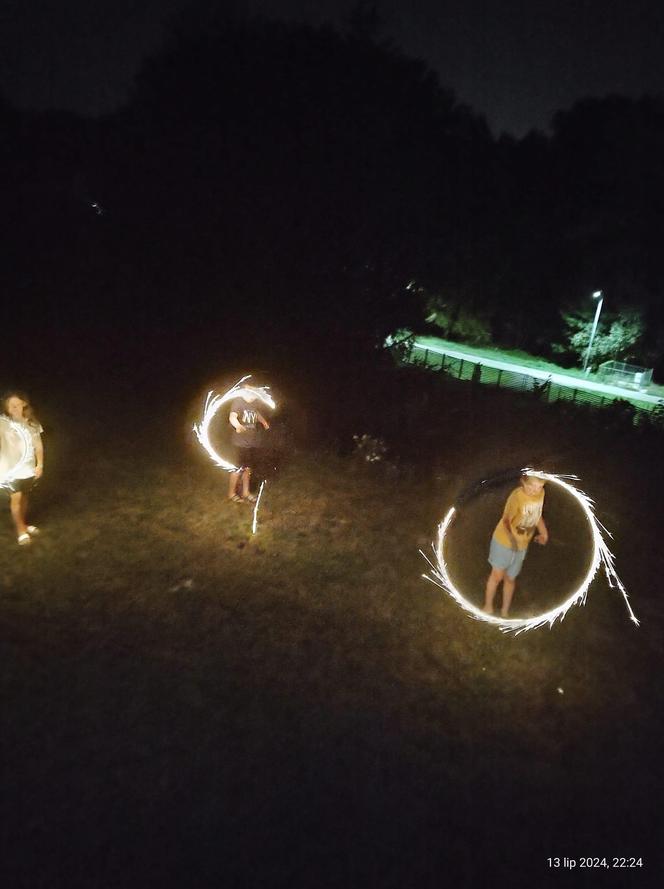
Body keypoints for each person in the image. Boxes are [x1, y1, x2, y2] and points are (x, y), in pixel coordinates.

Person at [483, 473, 548, 617]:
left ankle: (505, 611)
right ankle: (488, 606)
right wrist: (513, 541)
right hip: (504, 542)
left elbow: (537, 515)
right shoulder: (516, 497)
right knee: (497, 576)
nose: (535, 490)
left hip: (522, 545)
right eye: (531, 485)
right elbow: (506, 521)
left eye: (539, 486)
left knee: (510, 578)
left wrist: (543, 533)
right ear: (523, 482)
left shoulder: (540, 494)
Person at [0, 392, 44, 546]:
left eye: (17, 405)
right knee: (16, 498)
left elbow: (38, 446)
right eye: (11, 406)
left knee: (24, 497)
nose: (14, 408)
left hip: (28, 469)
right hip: (10, 471)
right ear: (6, 408)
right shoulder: (3, 423)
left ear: (24, 404)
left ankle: (23, 524)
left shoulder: (32, 423)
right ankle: (21, 531)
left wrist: (40, 464)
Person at [228, 388, 270, 503]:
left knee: (247, 469)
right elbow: (232, 416)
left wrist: (263, 421)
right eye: (257, 393)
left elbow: (256, 413)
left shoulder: (255, 402)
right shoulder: (238, 401)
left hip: (251, 442)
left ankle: (246, 492)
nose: (259, 396)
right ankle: (231, 493)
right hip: (240, 443)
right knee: (237, 468)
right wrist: (237, 426)